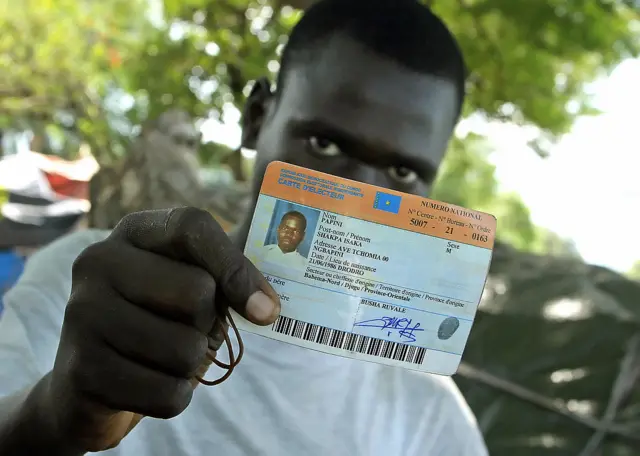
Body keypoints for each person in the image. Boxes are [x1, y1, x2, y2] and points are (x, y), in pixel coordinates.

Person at [0, 0, 488, 455]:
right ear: (256, 117)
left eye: (402, 174)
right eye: (323, 144)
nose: (357, 200)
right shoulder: (88, 286)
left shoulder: (430, 415)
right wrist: (52, 414)